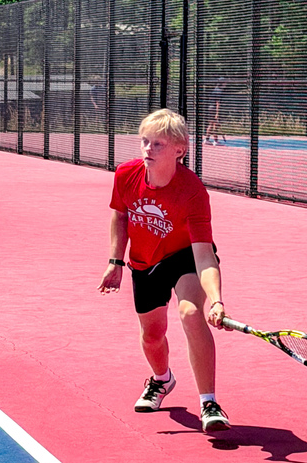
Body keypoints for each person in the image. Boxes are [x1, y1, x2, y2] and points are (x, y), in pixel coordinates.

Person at [98, 108, 230, 433]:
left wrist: (215, 300)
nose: (148, 149)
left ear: (179, 150)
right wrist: (115, 262)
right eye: (145, 142)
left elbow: (204, 255)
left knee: (190, 313)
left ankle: (209, 403)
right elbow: (120, 216)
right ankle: (162, 379)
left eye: (158, 144)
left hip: (185, 257)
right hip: (145, 262)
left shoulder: (193, 192)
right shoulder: (126, 175)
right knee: (152, 335)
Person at [205, 77, 227, 145]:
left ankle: (206, 140)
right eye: (225, 82)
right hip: (213, 109)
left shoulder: (215, 90)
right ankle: (215, 141)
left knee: (211, 124)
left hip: (210, 108)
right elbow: (217, 103)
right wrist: (217, 113)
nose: (226, 84)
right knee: (215, 125)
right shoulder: (219, 91)